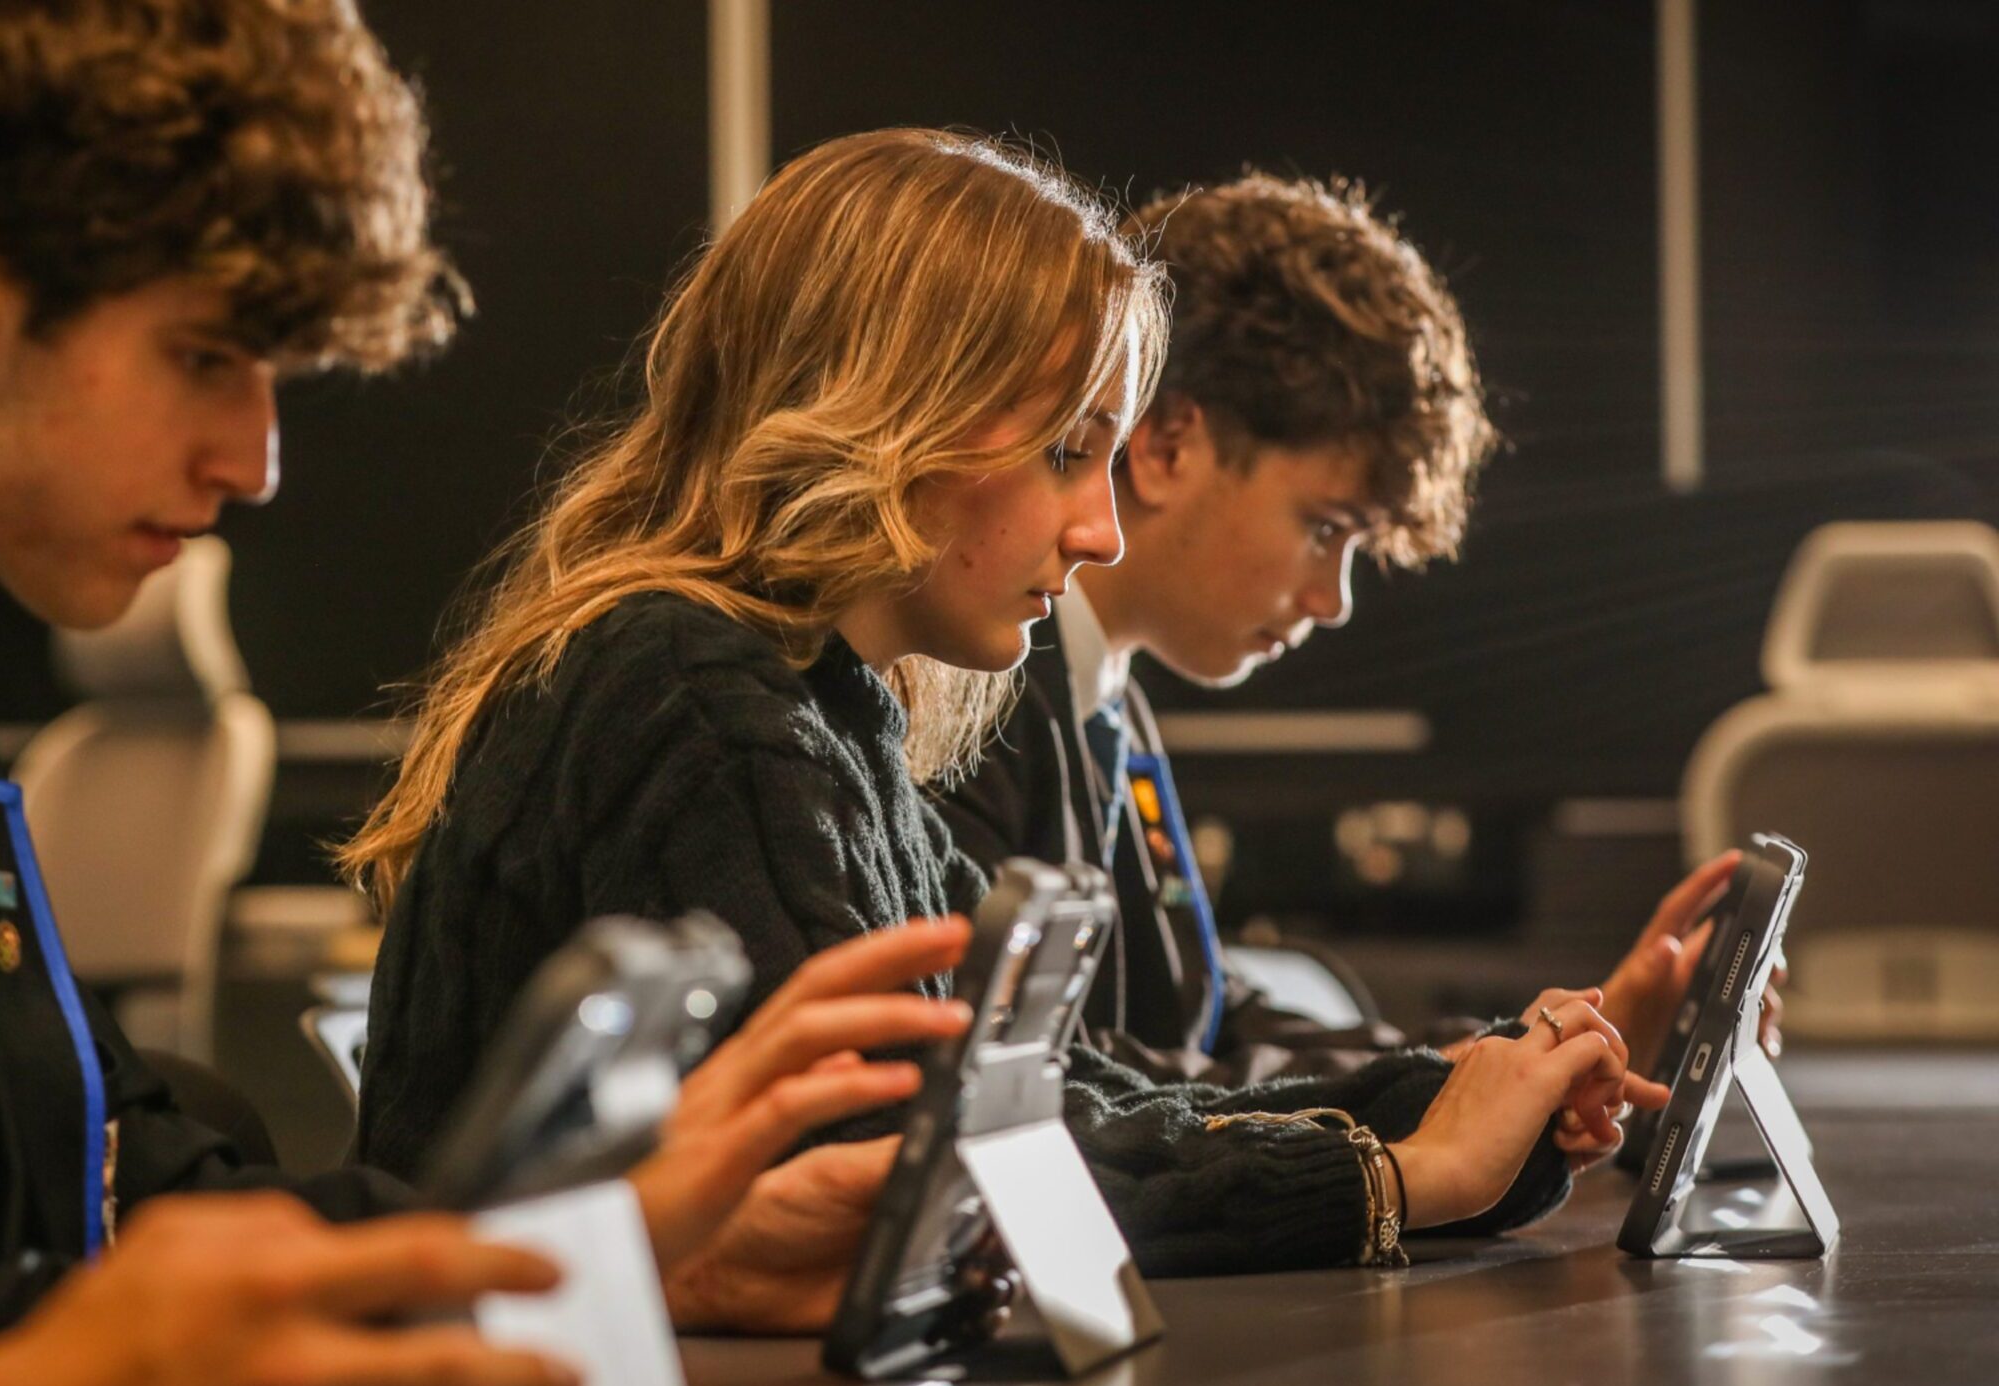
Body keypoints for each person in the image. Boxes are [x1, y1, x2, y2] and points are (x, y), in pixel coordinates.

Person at [0, 0, 965, 1346]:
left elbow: (126, 1178)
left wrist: (629, 1247)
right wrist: (585, 1244)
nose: (256, 463)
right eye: (207, 358)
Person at [343, 128, 1672, 1273]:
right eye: (1064, 453)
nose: (1103, 532)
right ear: (885, 415)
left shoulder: (826, 700)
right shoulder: (689, 691)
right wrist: (1406, 1178)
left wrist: (1449, 1099)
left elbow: (1069, 1086)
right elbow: (921, 1170)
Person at [935, 172, 1783, 1090]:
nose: (1333, 600)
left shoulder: (1109, 701)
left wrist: (1522, 1052)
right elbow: (1066, 1085)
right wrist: (1436, 1100)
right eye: (1325, 529)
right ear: (1171, 445)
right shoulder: (976, 699)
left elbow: (1201, 1022)